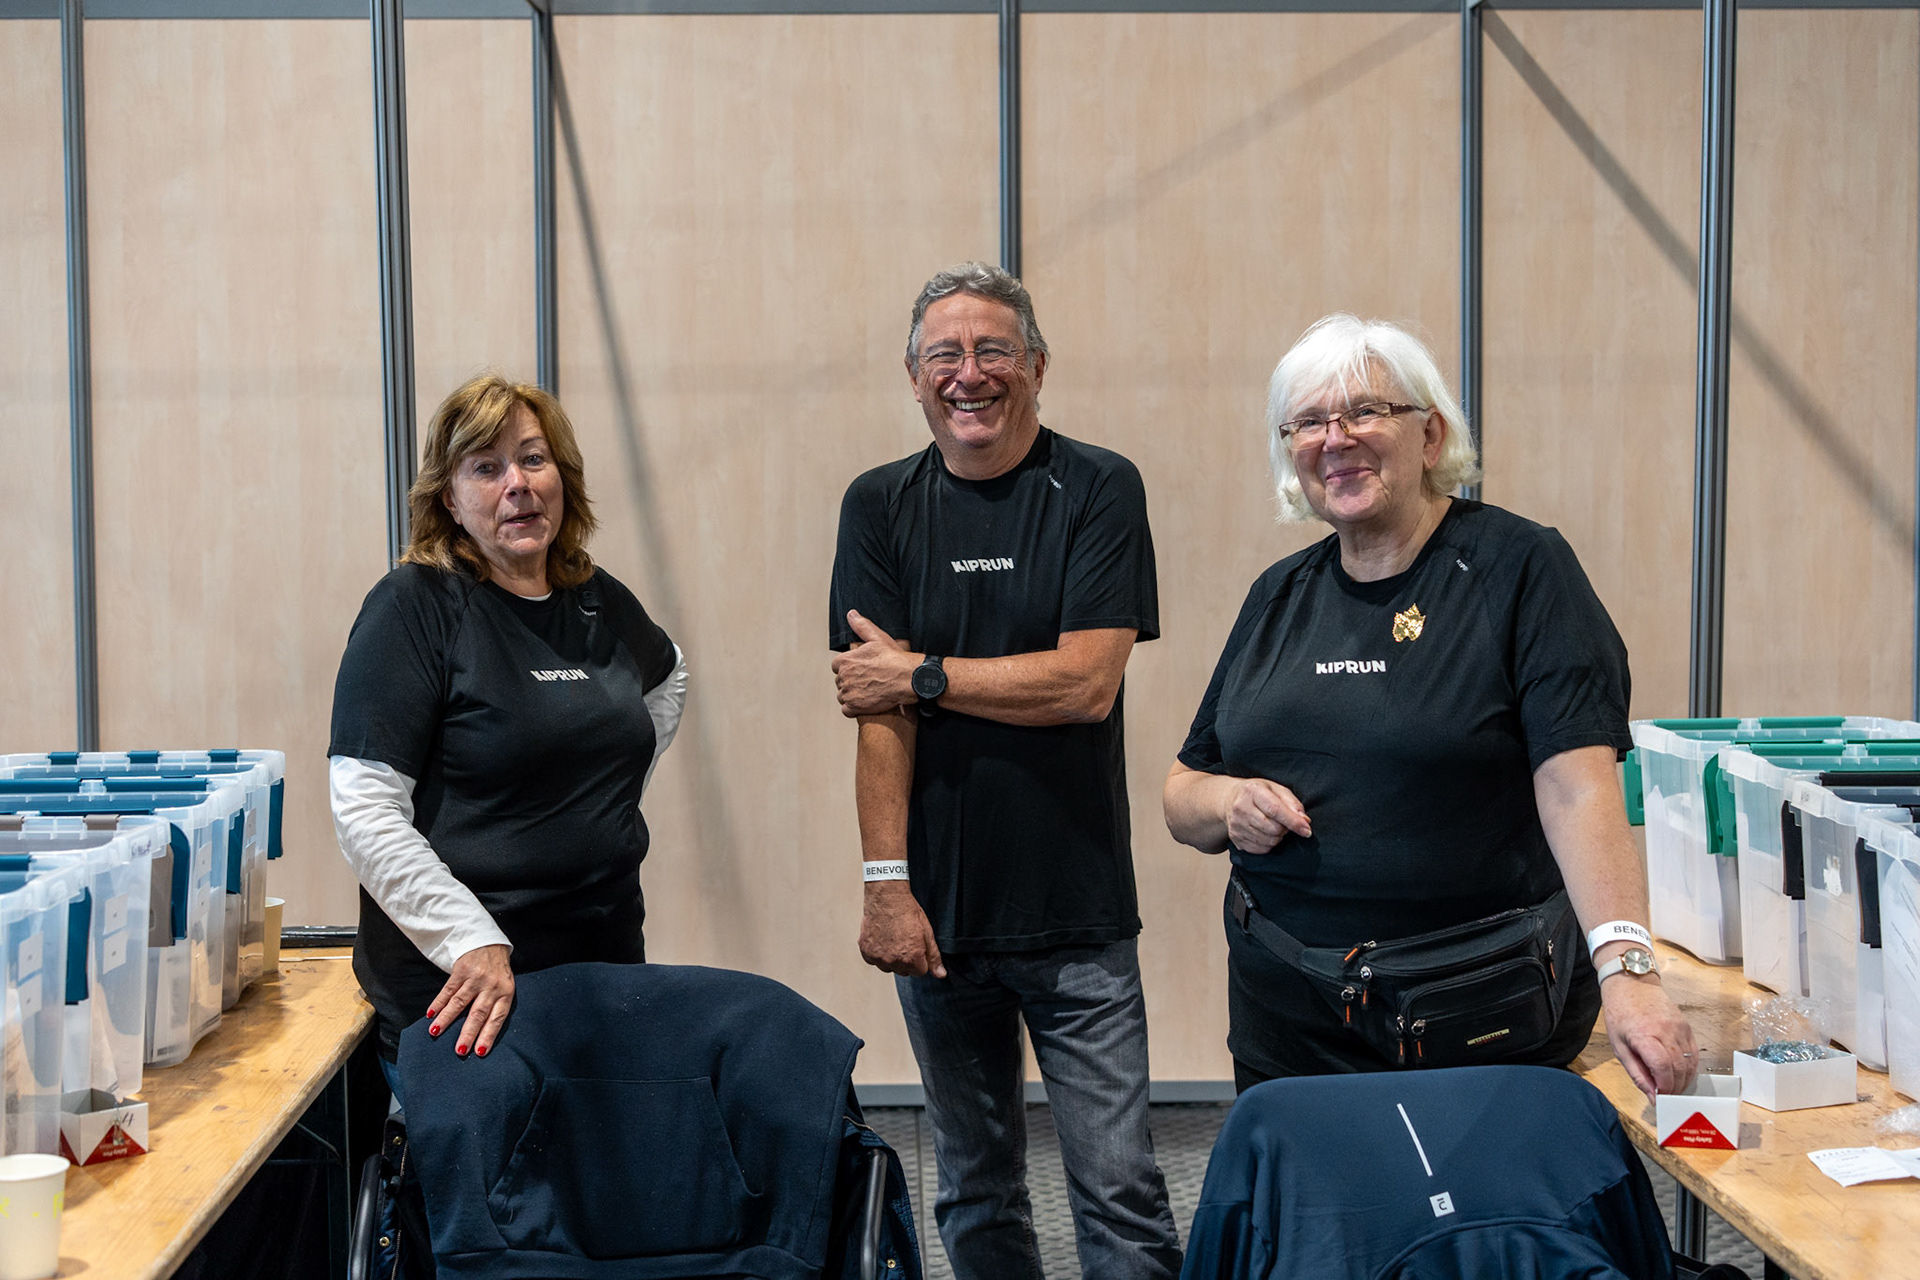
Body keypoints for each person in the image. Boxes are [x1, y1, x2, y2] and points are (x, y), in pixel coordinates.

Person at [1162, 314, 1696, 1103]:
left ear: (1431, 435)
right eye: (1308, 422)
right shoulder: (1278, 594)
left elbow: (1579, 788)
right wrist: (1227, 802)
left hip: (1476, 1015)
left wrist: (1630, 973)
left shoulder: (1521, 569)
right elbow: (1183, 792)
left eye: (1365, 411)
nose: (1335, 439)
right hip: (1289, 1020)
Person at [829, 262, 1181, 1280]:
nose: (969, 374)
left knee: (1119, 1193)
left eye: (994, 351)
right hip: (939, 917)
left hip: (1078, 914)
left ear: (1036, 365)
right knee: (974, 1190)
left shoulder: (1099, 487)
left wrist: (924, 672)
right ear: (913, 376)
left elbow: (1085, 683)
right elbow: (877, 715)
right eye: (944, 354)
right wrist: (885, 886)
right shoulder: (879, 505)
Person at [329, 373, 687, 1087]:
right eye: (486, 468)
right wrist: (468, 938)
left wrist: (601, 797)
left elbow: (667, 675)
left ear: (562, 477)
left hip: (603, 970)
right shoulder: (413, 609)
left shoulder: (596, 598)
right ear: (449, 499)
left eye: (532, 459)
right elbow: (364, 808)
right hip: (468, 995)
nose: (517, 484)